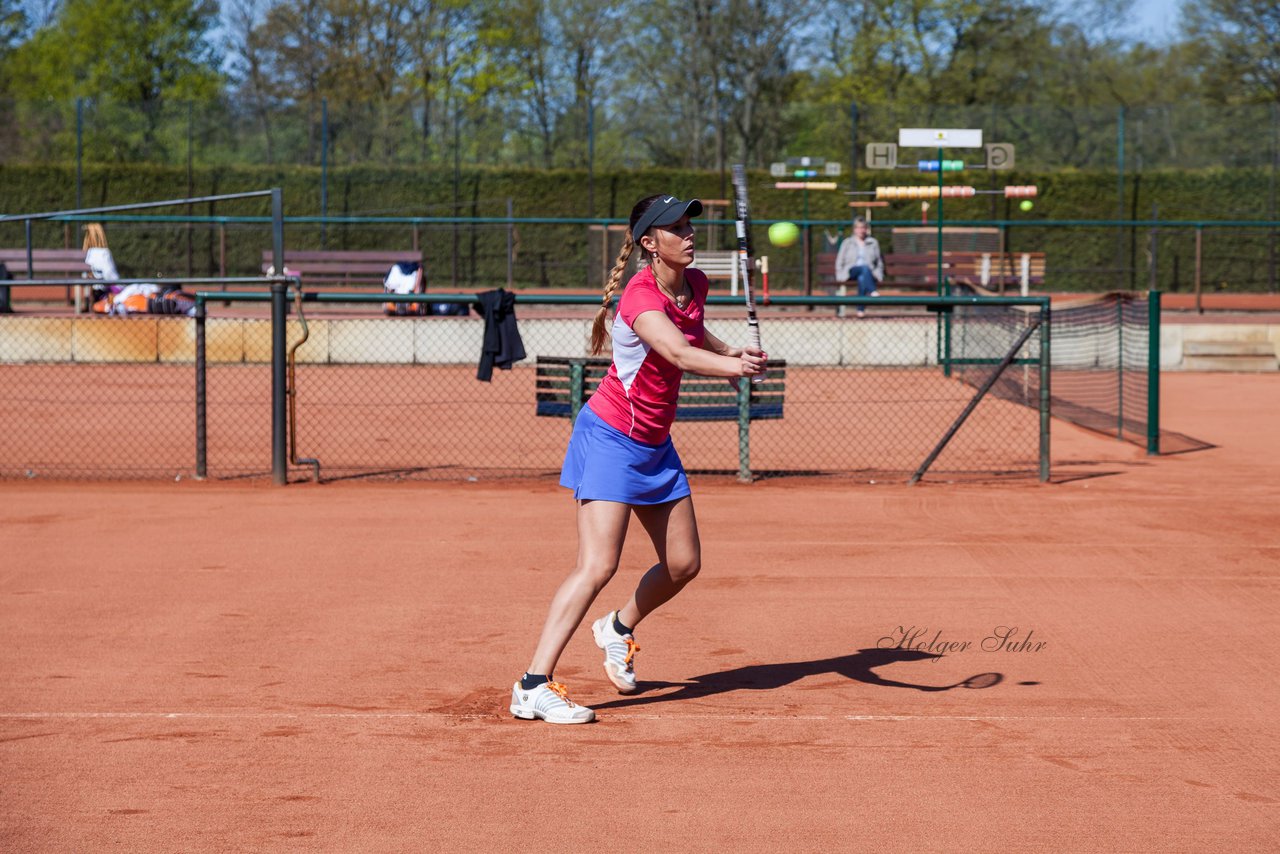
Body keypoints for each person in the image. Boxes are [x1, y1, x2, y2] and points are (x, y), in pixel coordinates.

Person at [509, 194, 768, 724]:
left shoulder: (694, 283)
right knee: (598, 564)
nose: (689, 234)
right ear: (649, 243)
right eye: (674, 228)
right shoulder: (640, 296)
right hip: (610, 437)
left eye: (689, 224)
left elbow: (692, 336)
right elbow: (673, 351)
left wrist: (729, 352)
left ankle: (618, 627)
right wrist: (731, 371)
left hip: (654, 443)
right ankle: (532, 684)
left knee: (683, 564)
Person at [834, 215, 884, 318]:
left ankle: (860, 310)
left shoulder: (873, 242)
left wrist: (879, 274)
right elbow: (839, 261)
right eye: (858, 228)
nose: (861, 230)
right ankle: (872, 291)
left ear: (866, 229)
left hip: (868, 273)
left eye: (863, 227)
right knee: (863, 269)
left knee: (862, 277)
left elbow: (879, 262)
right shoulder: (847, 242)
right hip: (851, 271)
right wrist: (840, 274)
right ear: (854, 229)